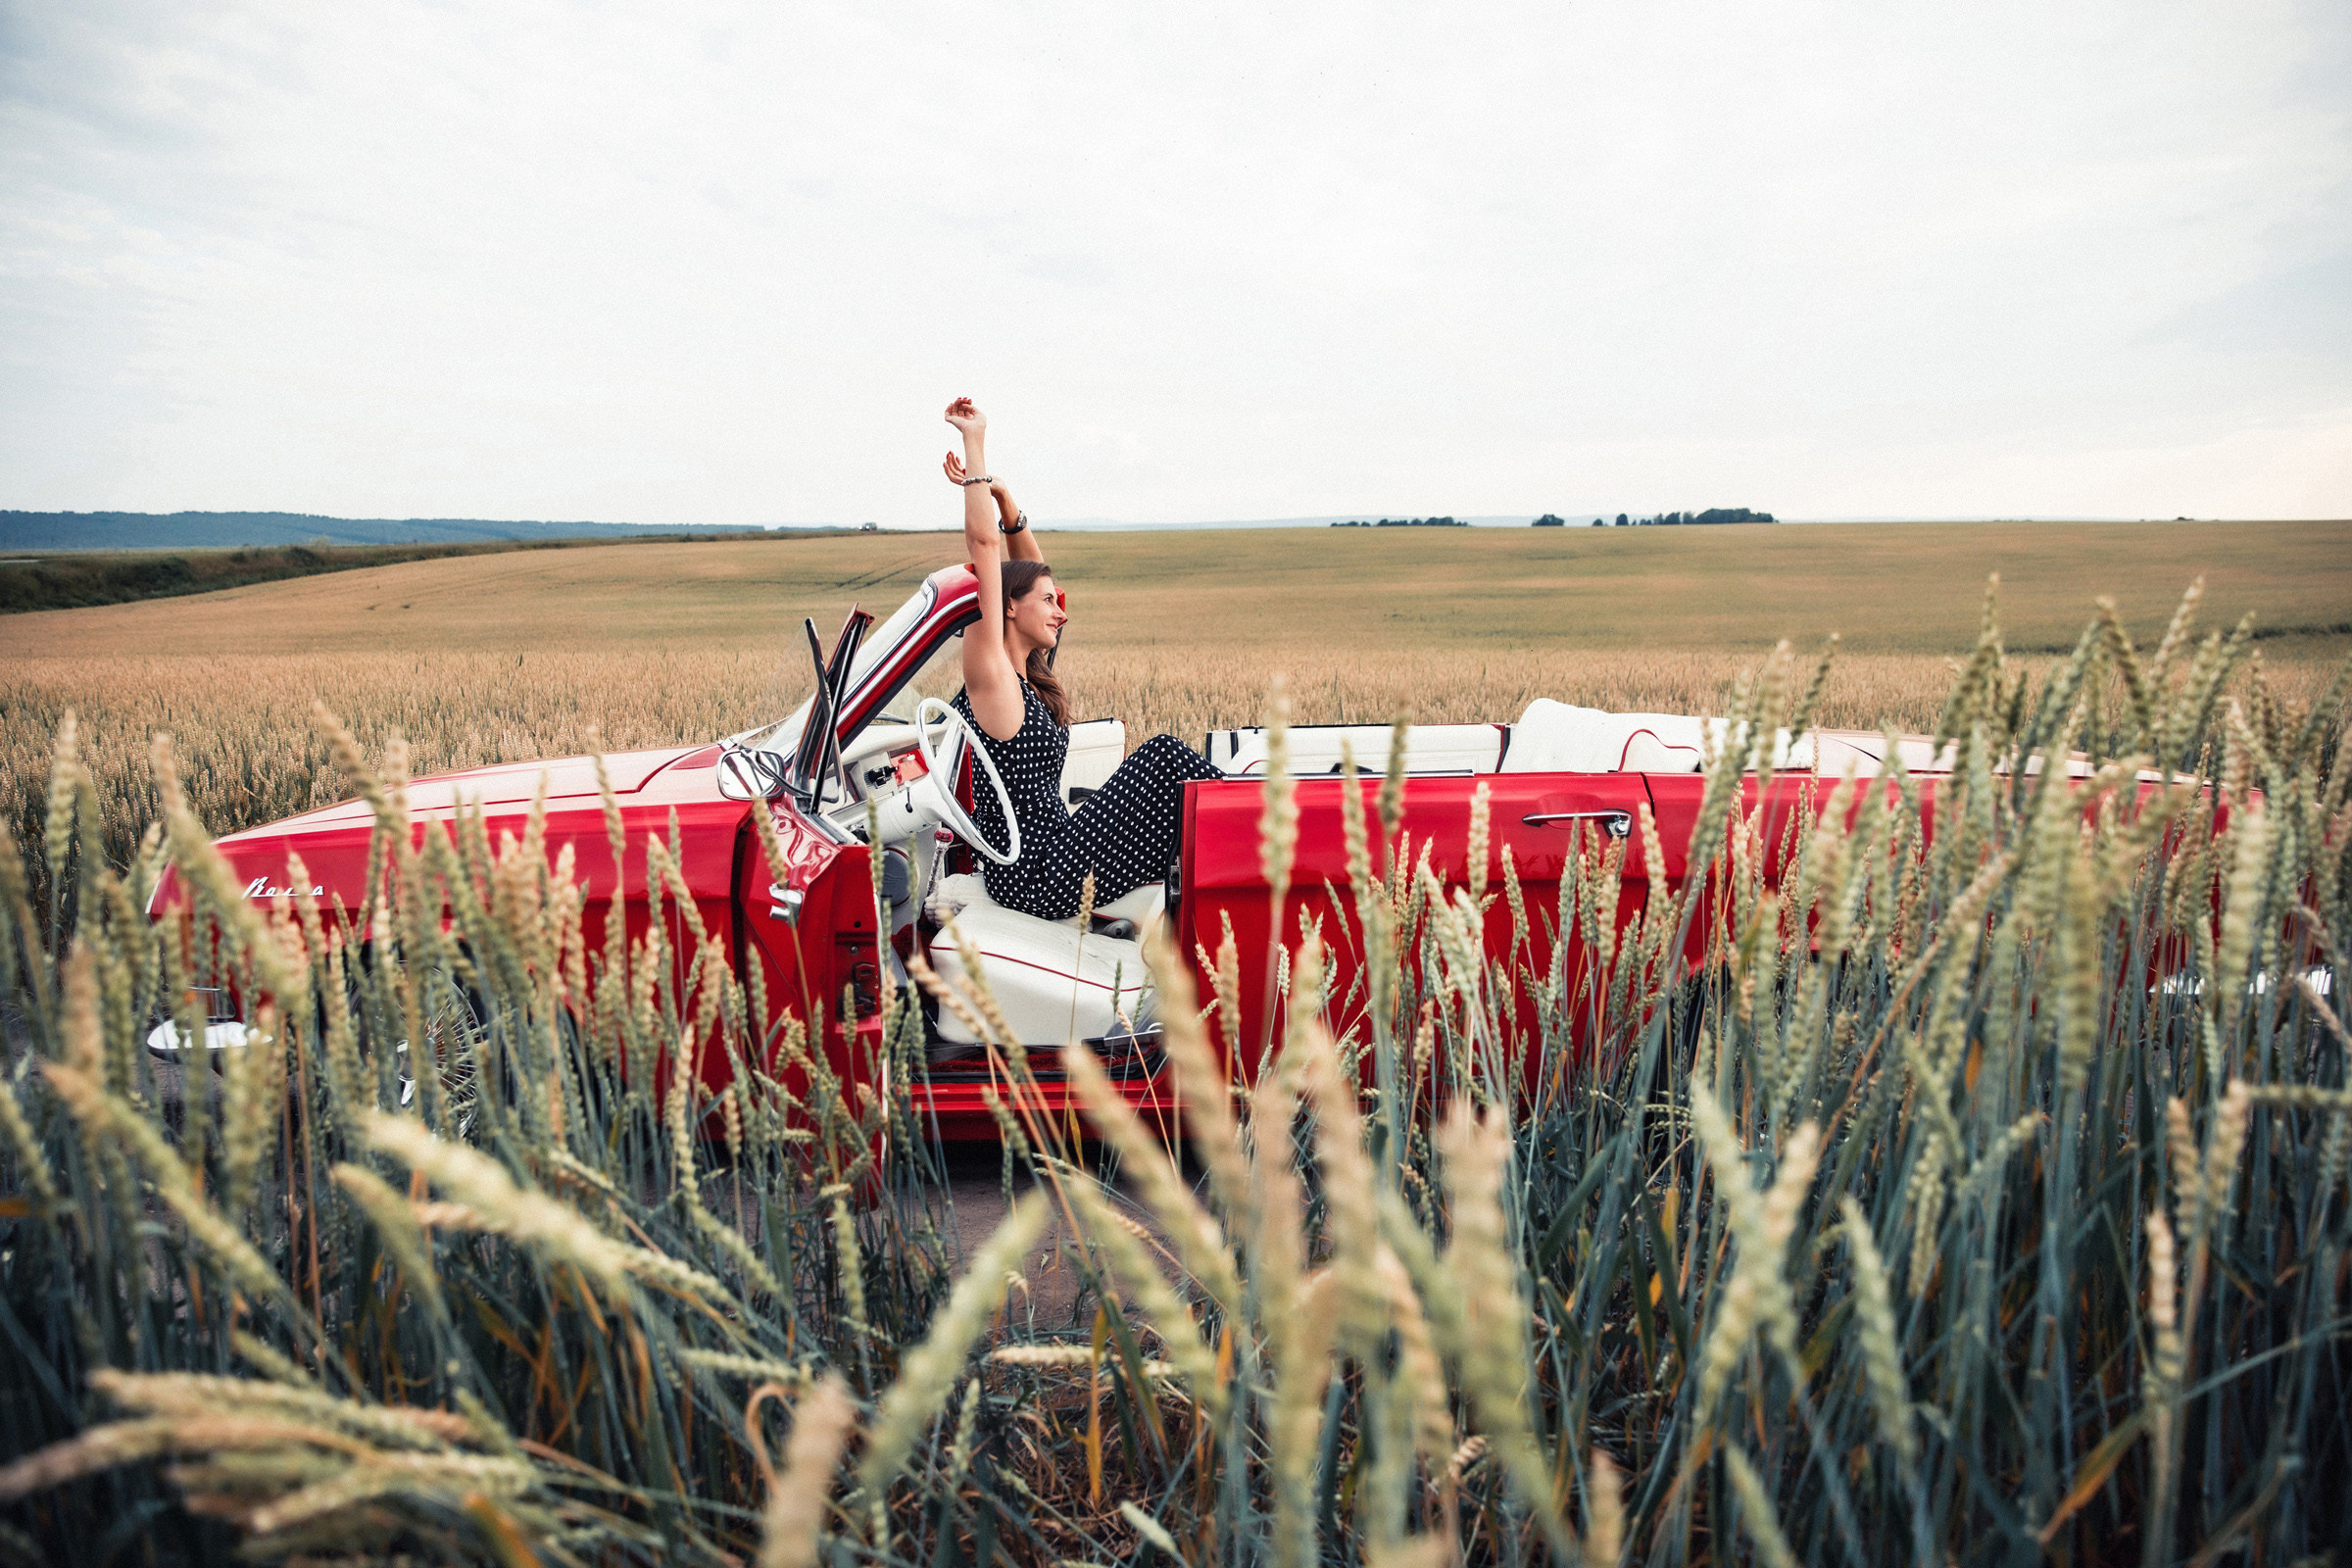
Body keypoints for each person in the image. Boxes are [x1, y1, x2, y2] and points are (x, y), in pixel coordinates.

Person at [942, 397, 1223, 922]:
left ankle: (1237, 857)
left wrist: (1006, 499)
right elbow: (984, 547)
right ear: (1006, 607)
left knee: (1177, 810)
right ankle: (1258, 824)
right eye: (1047, 602)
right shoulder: (992, 679)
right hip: (1036, 873)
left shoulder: (1030, 679)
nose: (1061, 612)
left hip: (1054, 855)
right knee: (1162, 756)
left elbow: (1030, 569)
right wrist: (975, 443)